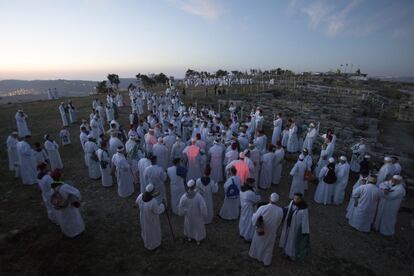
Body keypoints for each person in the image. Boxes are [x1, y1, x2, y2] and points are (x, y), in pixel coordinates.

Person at [249, 193, 283, 266]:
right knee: (268, 247)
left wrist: (254, 222)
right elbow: (279, 222)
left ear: (269, 198)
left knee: (258, 243)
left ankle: (255, 255)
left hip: (261, 229)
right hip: (272, 231)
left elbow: (255, 218)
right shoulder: (280, 210)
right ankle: (266, 261)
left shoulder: (263, 208)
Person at [50, 170, 85, 238]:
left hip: (61, 208)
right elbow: (76, 192)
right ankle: (76, 232)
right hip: (69, 207)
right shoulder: (64, 187)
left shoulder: (52, 187)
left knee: (64, 219)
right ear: (60, 177)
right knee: (73, 218)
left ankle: (67, 232)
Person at [279, 193, 310, 261]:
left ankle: (291, 254)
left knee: (292, 241)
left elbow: (305, 221)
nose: (295, 200)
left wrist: (305, 231)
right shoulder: (292, 202)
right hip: (288, 224)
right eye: (294, 198)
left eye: (297, 199)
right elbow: (288, 208)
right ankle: (285, 251)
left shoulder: (304, 209)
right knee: (286, 238)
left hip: (295, 228)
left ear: (301, 199)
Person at [178, 180, 208, 245]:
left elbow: (180, 208)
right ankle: (198, 239)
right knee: (197, 227)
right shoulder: (198, 196)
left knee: (189, 225)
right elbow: (203, 207)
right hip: (197, 216)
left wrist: (183, 212)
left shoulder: (183, 197)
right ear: (194, 186)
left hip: (188, 216)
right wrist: (204, 214)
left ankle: (189, 237)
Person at [136, 184, 165, 250]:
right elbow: (158, 210)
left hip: (143, 217)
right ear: (152, 191)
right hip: (151, 219)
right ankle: (154, 245)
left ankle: (146, 242)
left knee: (145, 230)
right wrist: (163, 205)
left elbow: (136, 202)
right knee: (153, 231)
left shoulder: (141, 196)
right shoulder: (153, 202)